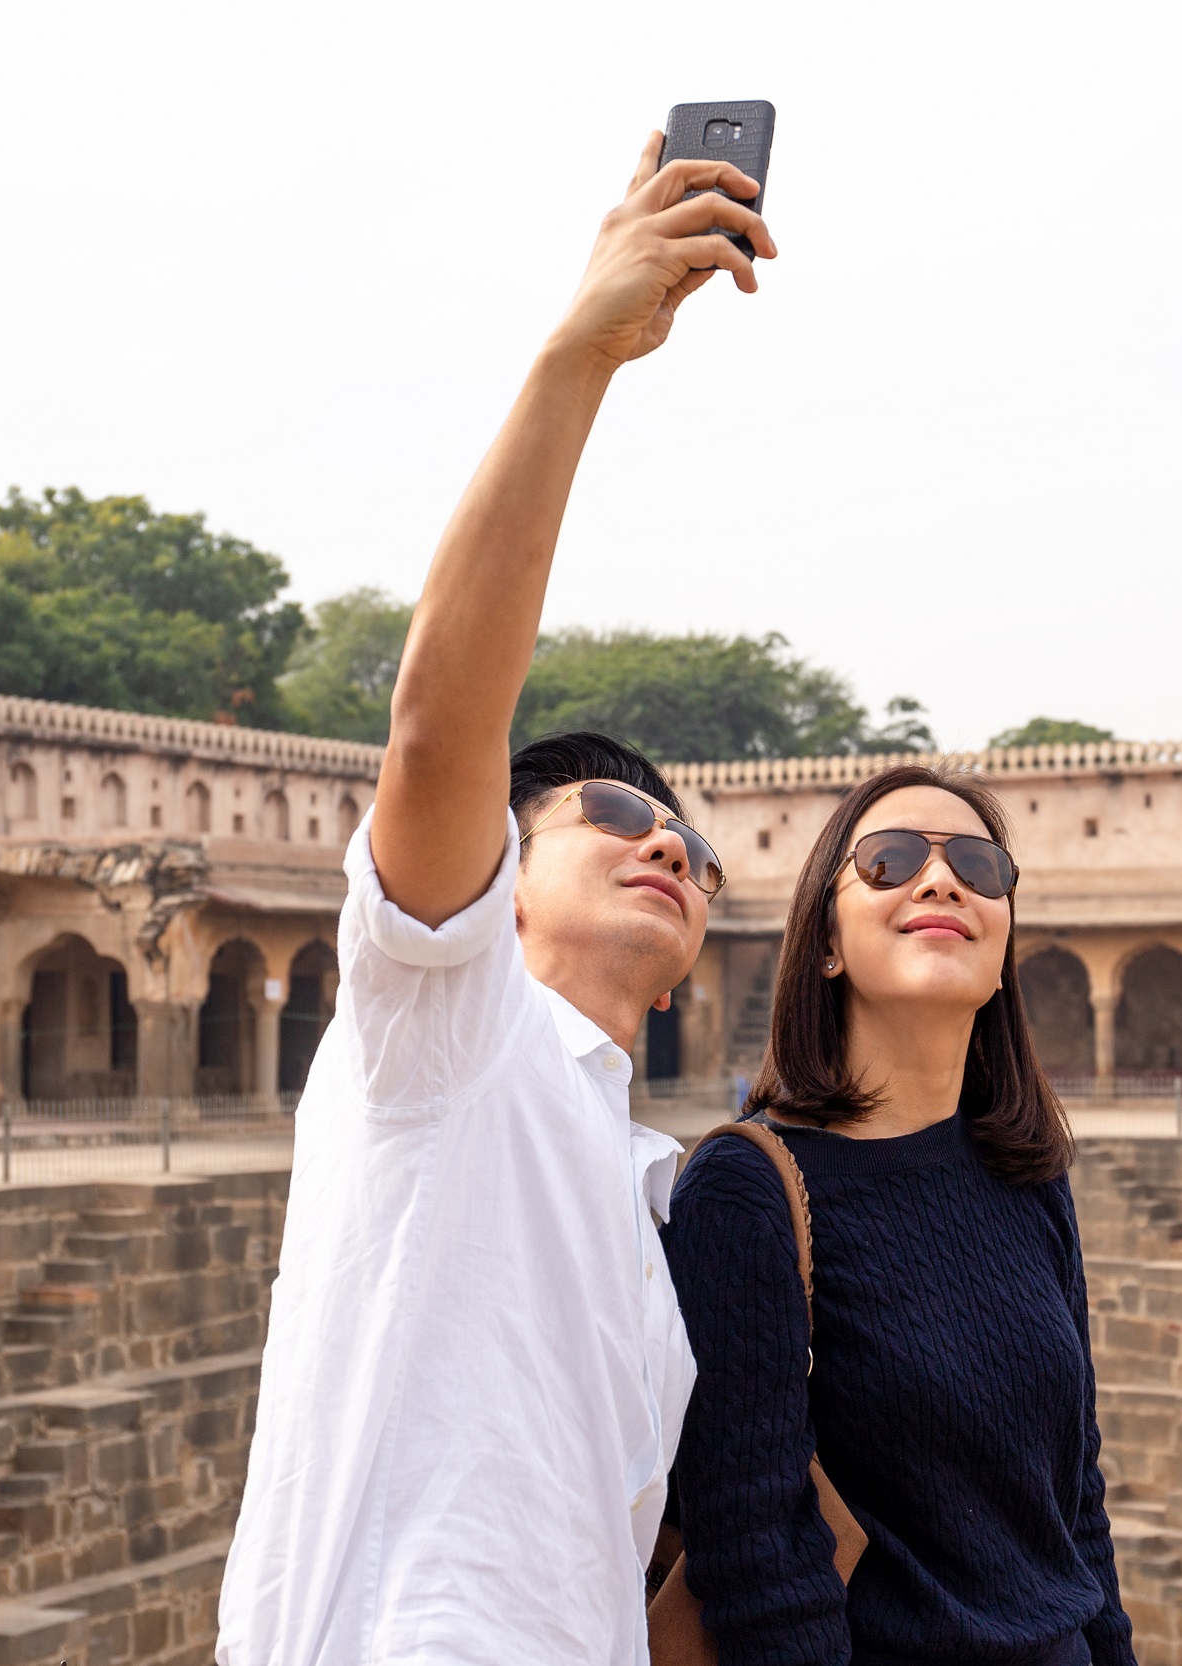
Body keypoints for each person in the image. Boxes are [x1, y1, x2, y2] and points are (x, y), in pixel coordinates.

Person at [215, 132, 775, 1665]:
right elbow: (440, 719)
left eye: (691, 845)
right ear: (505, 872)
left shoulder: (657, 1190)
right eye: (612, 811)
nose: (667, 844)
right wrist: (577, 359)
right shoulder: (451, 1039)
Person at [661, 764, 1136, 1666]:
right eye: (887, 861)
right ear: (826, 942)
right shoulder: (747, 1191)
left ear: (1001, 956)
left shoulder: (1026, 1176)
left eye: (979, 866)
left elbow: (1074, 1503)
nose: (940, 879)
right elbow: (757, 1563)